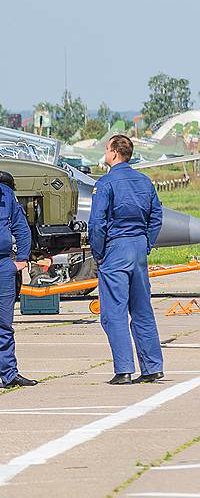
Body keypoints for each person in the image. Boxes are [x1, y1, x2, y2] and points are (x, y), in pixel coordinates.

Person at [89, 134, 164, 385]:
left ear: (113, 152)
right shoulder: (144, 181)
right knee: (142, 310)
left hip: (116, 249)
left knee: (114, 312)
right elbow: (156, 218)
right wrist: (146, 244)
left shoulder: (106, 183)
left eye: (107, 148)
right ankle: (152, 367)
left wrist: (98, 254)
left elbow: (97, 224)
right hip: (138, 249)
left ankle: (124, 369)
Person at [0, 162, 38, 388]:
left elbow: (21, 227)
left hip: (1, 265)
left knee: (4, 324)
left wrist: (21, 259)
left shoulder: (6, 195)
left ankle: (10, 373)